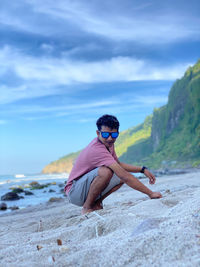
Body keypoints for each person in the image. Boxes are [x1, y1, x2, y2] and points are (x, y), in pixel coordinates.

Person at [64, 114, 162, 214]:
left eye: (114, 135)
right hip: (74, 192)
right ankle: (87, 207)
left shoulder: (108, 144)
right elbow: (124, 175)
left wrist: (142, 169)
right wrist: (150, 193)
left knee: (118, 178)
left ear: (117, 133)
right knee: (107, 172)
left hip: (84, 189)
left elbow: (118, 165)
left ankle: (96, 204)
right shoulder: (97, 149)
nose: (110, 138)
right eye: (106, 134)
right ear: (98, 133)